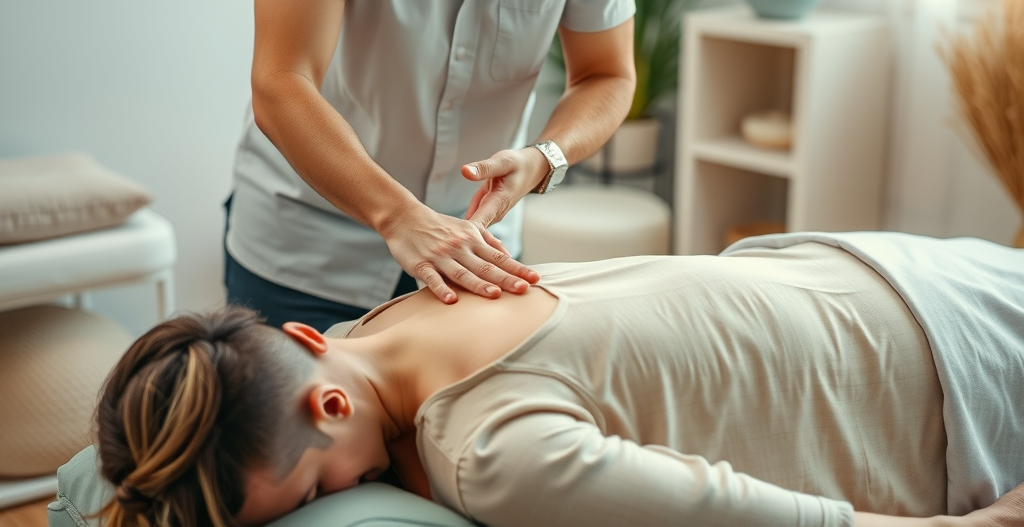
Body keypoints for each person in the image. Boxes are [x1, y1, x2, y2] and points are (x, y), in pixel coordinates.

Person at [96, 232, 1024, 527]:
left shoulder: (486, 455)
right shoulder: (406, 304)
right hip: (881, 268)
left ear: (330, 403)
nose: (324, 506)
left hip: (945, 388)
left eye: (311, 489)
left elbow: (733, 514)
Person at [223, 0, 638, 332]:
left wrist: (543, 160)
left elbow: (606, 75)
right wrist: (399, 216)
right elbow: (281, 82)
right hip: (308, 251)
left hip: (474, 251)